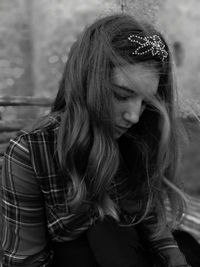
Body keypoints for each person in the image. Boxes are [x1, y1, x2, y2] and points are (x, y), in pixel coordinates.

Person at [0, 13, 194, 267]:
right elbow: (25, 261)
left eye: (146, 102)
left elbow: (150, 221)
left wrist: (175, 259)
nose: (134, 116)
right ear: (87, 84)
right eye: (120, 95)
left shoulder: (136, 138)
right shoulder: (30, 153)